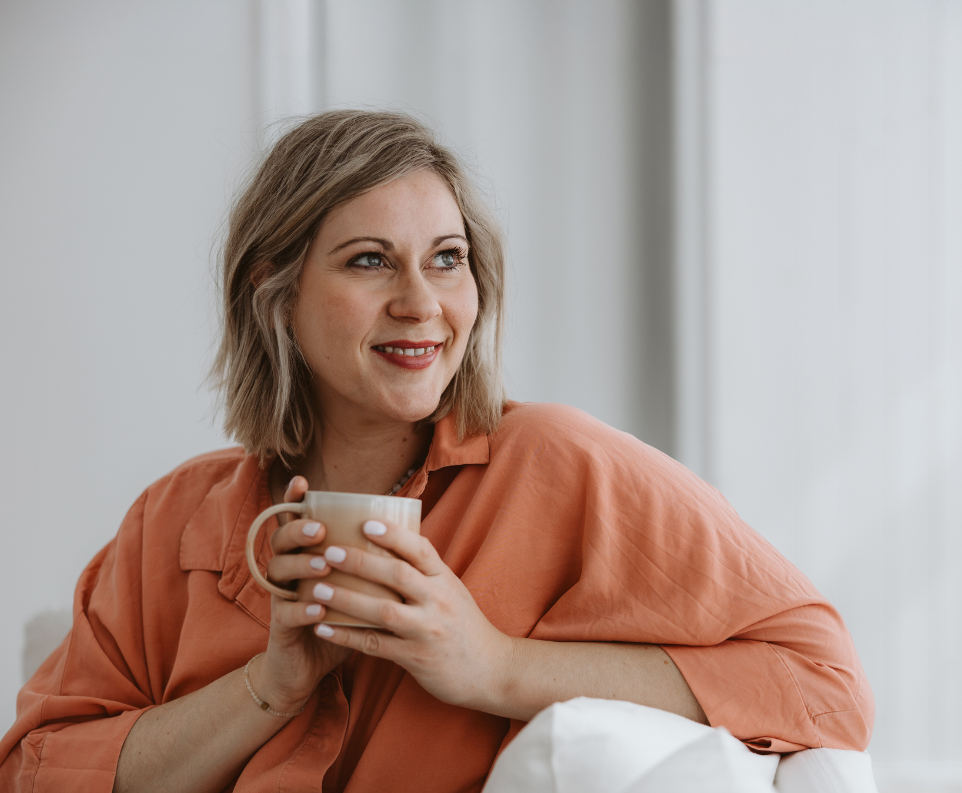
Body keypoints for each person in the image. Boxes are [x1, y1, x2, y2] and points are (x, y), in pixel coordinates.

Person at [0, 110, 873, 793]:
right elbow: (39, 769)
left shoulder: (559, 466)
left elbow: (824, 686)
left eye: (446, 259)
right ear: (276, 288)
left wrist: (493, 664)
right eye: (371, 260)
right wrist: (270, 687)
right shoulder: (176, 521)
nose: (423, 302)